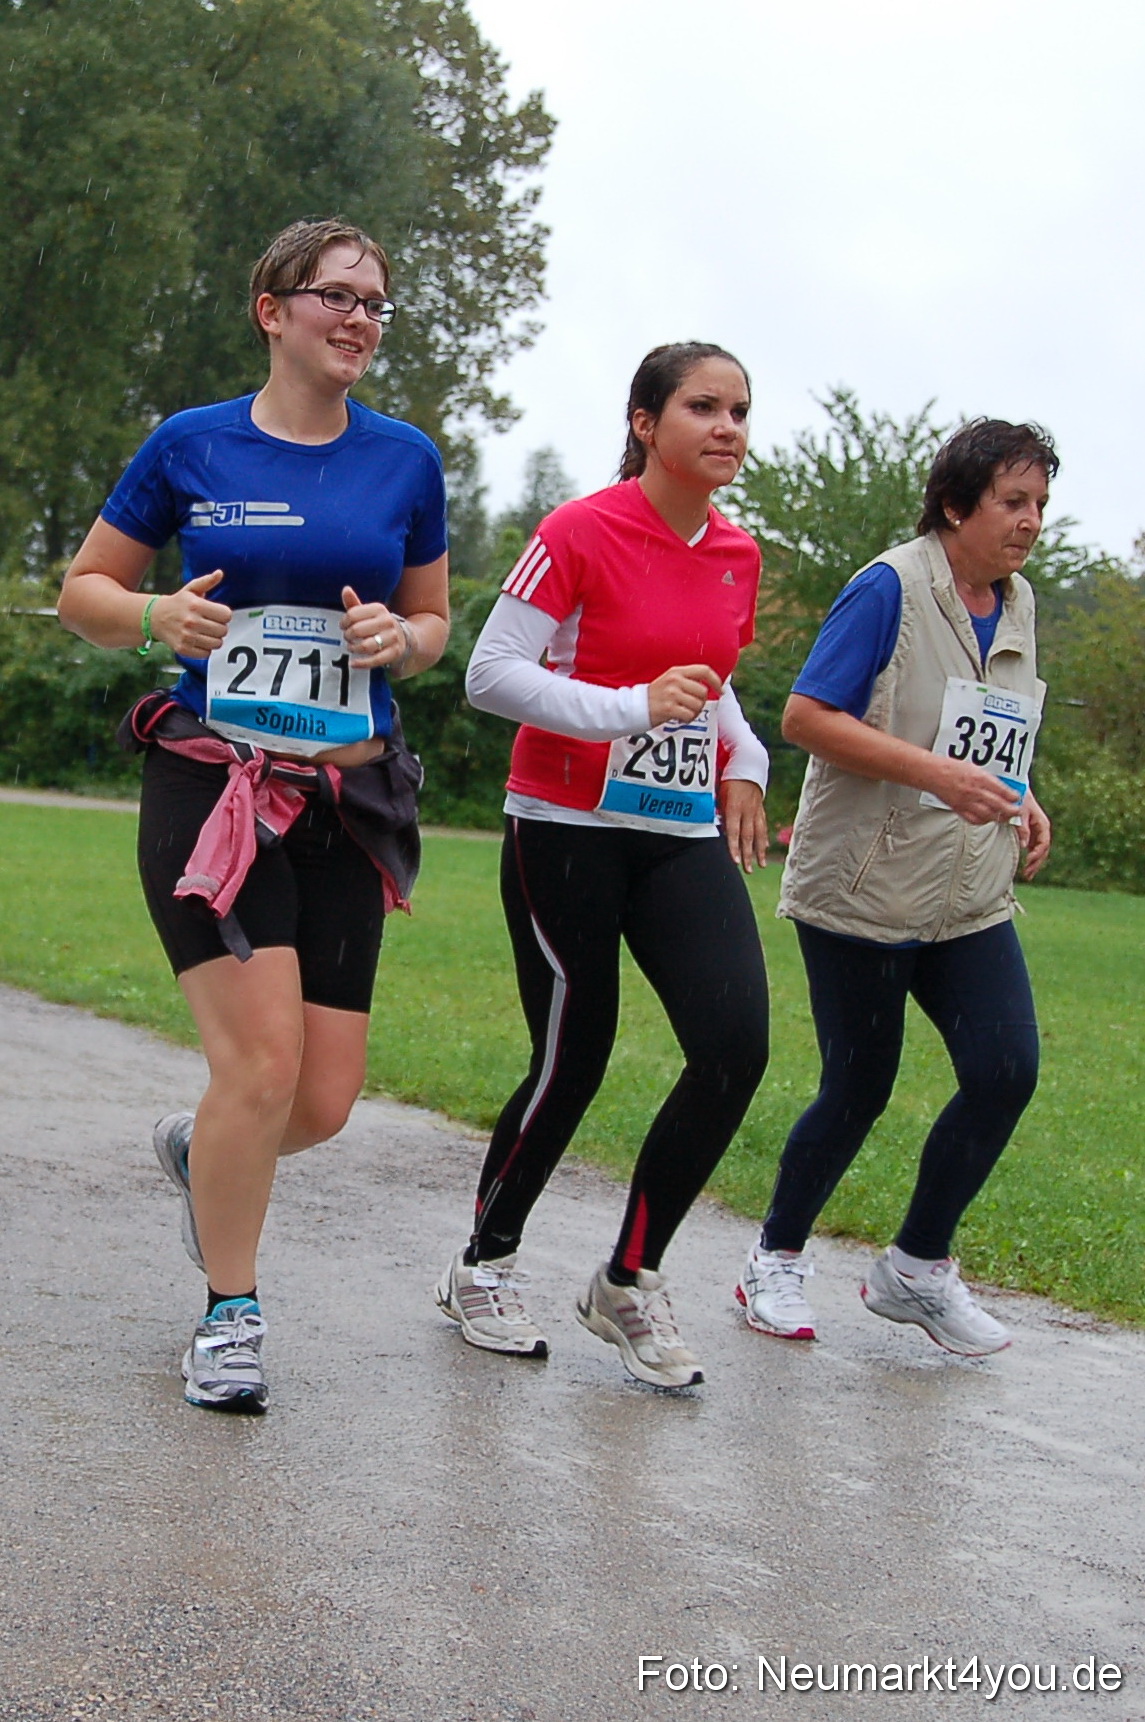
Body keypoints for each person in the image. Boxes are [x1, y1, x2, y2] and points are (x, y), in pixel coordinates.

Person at [58, 218, 449, 1412]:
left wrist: (403, 639)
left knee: (320, 1099)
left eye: (376, 301)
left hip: (346, 790)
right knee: (262, 1063)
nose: (360, 317)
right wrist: (155, 615)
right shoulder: (193, 445)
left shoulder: (406, 460)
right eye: (335, 295)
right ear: (271, 311)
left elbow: (432, 627)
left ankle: (204, 1143)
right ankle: (230, 1315)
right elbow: (85, 592)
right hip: (211, 784)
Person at [435, 342, 771, 1389]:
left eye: (740, 411)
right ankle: (482, 1263)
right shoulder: (579, 529)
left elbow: (707, 684)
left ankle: (626, 1279)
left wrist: (745, 759)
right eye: (702, 407)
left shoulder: (736, 553)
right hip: (563, 827)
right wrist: (625, 710)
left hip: (673, 828)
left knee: (733, 1045)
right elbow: (490, 676)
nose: (726, 428)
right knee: (574, 1052)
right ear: (643, 423)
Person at [735, 418, 1055, 1357]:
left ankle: (915, 1268)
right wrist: (934, 776)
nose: (1029, 521)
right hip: (862, 889)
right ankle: (774, 1258)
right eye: (1011, 502)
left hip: (966, 892)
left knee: (1006, 1072)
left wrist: (1019, 795)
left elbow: (987, 729)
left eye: (1039, 503)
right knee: (858, 1087)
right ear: (955, 505)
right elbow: (803, 716)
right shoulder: (889, 588)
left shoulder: (1018, 601)